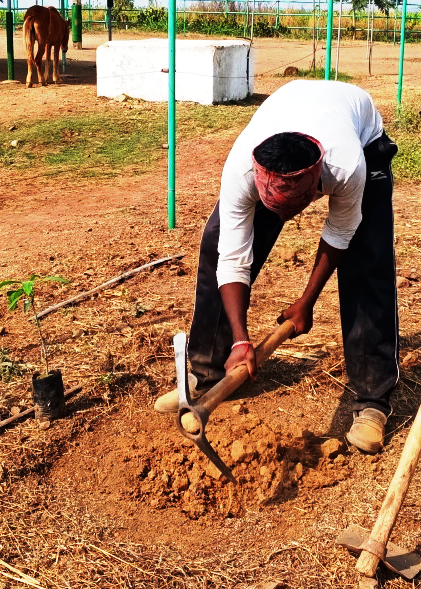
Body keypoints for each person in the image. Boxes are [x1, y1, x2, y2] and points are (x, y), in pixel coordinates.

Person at [154, 80, 399, 454]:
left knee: (368, 260)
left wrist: (306, 302)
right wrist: (242, 338)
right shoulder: (242, 168)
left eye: (296, 204)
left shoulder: (347, 164)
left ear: (317, 182)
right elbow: (232, 255)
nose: (288, 217)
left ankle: (373, 401)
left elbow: (341, 232)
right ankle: (207, 372)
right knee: (215, 244)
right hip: (287, 117)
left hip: (362, 135)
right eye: (276, 206)